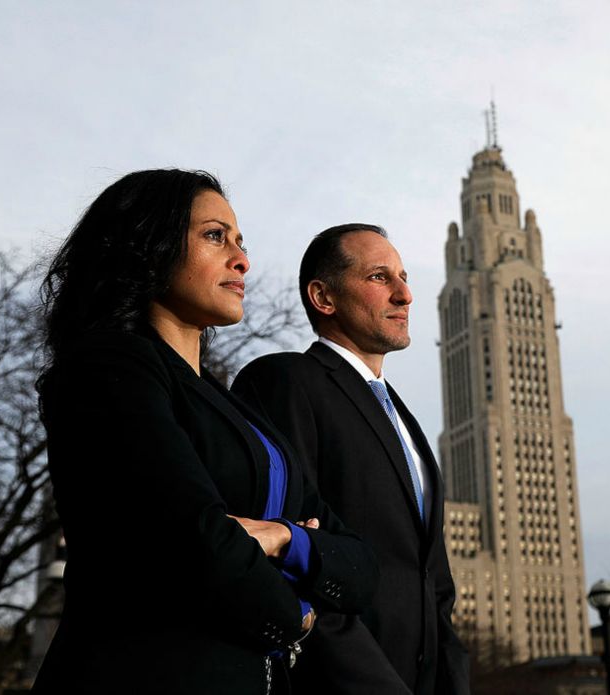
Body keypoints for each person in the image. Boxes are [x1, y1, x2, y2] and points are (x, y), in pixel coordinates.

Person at [33, 170, 378, 694]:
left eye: (241, 242)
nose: (242, 259)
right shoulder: (108, 365)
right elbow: (191, 542)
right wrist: (301, 616)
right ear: (147, 244)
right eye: (215, 237)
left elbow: (361, 564)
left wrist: (283, 537)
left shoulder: (236, 411)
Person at [232, 224, 470, 694]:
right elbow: (292, 558)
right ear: (324, 297)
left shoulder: (407, 423)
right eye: (381, 277)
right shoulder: (284, 382)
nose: (405, 295)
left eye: (404, 277)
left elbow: (434, 585)